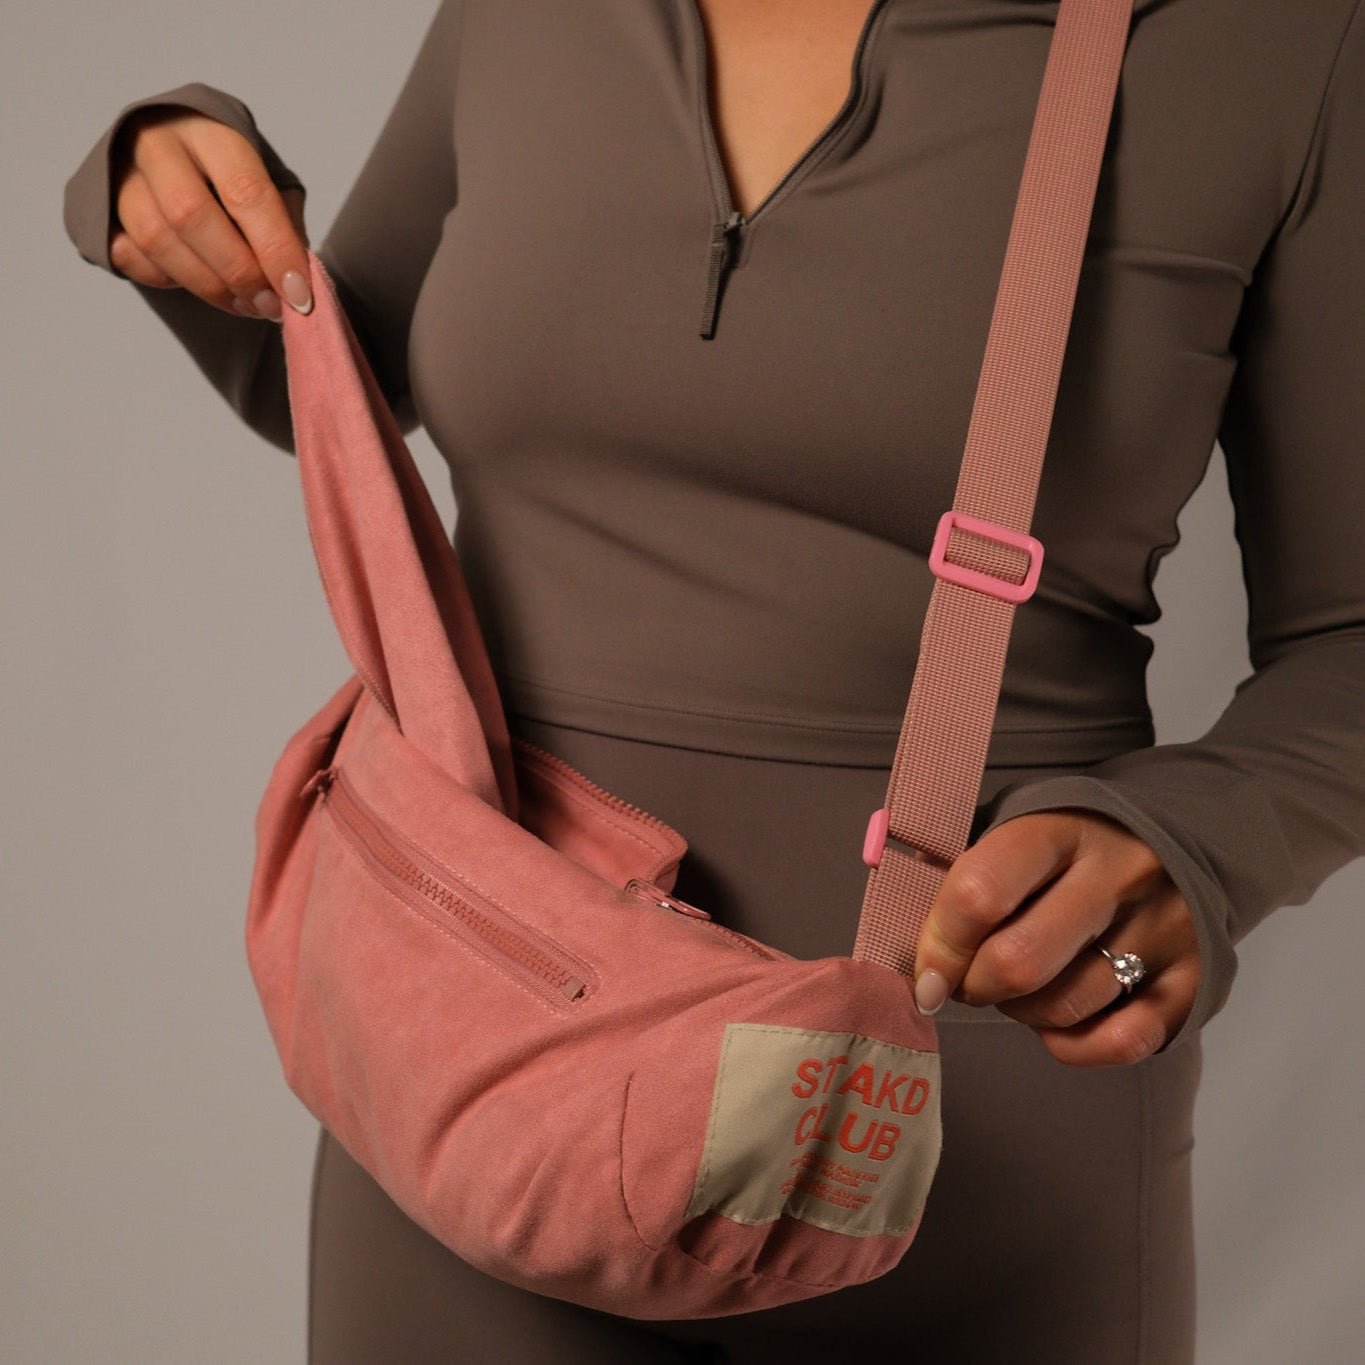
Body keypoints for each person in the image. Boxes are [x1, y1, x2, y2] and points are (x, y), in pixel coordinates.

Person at [62, 0, 1365, 1360]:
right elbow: (335, 361)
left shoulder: (1275, 42)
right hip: (482, 1072)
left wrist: (1191, 849)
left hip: (956, 1123)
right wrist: (166, 185)